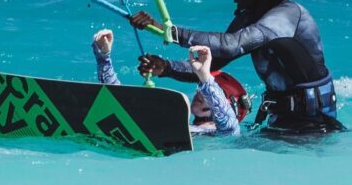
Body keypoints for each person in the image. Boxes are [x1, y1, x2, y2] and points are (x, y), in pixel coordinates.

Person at [129, 0, 343, 134]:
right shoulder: (250, 18)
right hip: (281, 123)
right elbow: (212, 63)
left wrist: (168, 31)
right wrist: (166, 68)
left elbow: (229, 45)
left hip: (314, 128)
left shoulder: (286, 16)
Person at [92, 29, 242, 136]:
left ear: (231, 106)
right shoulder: (178, 126)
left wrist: (205, 77)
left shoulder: (227, 133)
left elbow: (229, 125)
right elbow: (118, 105)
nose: (200, 93)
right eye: (201, 88)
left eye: (207, 90)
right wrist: (104, 58)